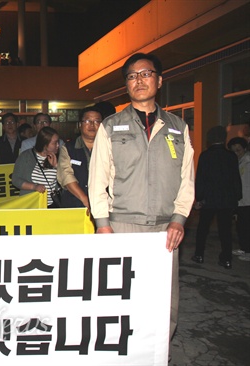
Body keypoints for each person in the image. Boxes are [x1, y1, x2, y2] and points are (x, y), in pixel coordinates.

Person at [88, 53, 195, 339]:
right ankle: (121, 349)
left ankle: (160, 351)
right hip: (122, 225)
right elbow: (97, 177)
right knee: (120, 295)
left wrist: (179, 219)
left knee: (164, 298)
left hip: (165, 229)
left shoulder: (178, 127)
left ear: (159, 81)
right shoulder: (110, 126)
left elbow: (187, 178)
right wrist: (102, 223)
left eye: (146, 74)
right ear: (127, 85)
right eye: (132, 76)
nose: (139, 80)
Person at [191, 126, 242, 269]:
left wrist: (198, 198)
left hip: (209, 199)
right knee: (225, 230)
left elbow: (200, 178)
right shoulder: (231, 156)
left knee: (203, 228)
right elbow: (235, 179)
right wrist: (237, 196)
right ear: (223, 139)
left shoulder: (205, 156)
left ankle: (199, 254)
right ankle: (226, 259)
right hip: (226, 199)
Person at [59, 105, 102, 208]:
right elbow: (66, 176)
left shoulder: (108, 146)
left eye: (96, 121)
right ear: (79, 125)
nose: (92, 125)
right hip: (75, 203)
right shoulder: (68, 148)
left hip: (102, 203)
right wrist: (85, 199)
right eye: (87, 121)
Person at [12, 127, 62, 208]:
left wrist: (57, 166)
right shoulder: (26, 156)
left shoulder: (60, 157)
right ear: (45, 144)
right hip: (32, 205)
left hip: (53, 205)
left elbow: (66, 182)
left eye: (58, 142)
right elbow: (16, 179)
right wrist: (34, 186)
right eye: (55, 143)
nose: (58, 145)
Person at [227, 137, 250, 261]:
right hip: (240, 200)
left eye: (239, 150)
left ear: (244, 149)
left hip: (248, 199)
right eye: (234, 151)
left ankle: (248, 251)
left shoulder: (247, 161)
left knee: (246, 226)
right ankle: (244, 247)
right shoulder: (237, 162)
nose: (236, 153)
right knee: (240, 226)